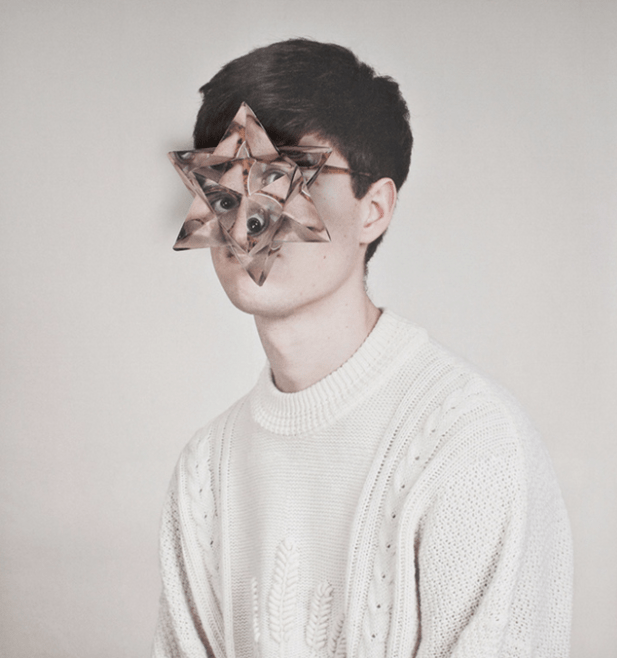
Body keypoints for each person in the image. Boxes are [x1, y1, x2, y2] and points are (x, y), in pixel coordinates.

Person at [153, 39, 573, 658]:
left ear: (373, 210)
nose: (247, 225)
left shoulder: (470, 444)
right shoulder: (205, 471)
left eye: (282, 180)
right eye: (223, 190)